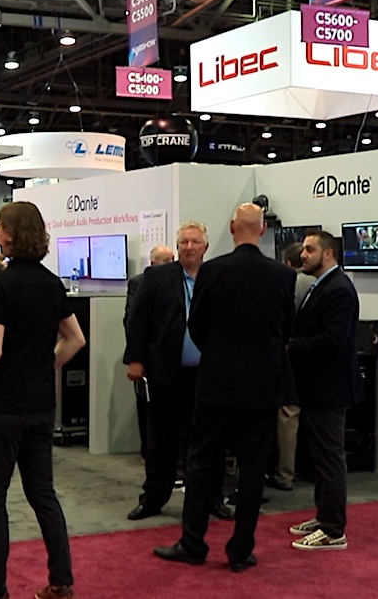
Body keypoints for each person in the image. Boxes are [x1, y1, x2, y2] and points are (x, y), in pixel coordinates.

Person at [154, 203, 295, 573]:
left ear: (232, 228)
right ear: (262, 229)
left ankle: (193, 543)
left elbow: (196, 326)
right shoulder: (282, 275)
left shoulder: (213, 271)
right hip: (262, 387)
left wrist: (218, 355)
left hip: (216, 383)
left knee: (202, 464)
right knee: (253, 470)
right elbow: (286, 329)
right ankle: (240, 550)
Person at [0, 202, 86, 599]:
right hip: (41, 405)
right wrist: (45, 365)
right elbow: (76, 339)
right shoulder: (51, 283)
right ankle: (61, 582)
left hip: (3, 406)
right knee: (43, 494)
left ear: (11, 234)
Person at [123, 225, 232, 522]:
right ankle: (153, 498)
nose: (189, 246)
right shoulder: (157, 277)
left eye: (195, 241)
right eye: (184, 241)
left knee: (210, 442)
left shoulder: (217, 277)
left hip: (207, 375)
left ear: (205, 247)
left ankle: (212, 498)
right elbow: (138, 320)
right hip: (166, 373)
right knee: (161, 442)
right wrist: (135, 359)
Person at [287, 231, 361, 551]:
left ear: (328, 253)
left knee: (330, 458)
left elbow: (333, 339)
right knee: (320, 457)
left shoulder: (339, 289)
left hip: (330, 389)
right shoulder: (322, 285)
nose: (303, 255)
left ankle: (333, 530)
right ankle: (324, 515)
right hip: (317, 387)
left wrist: (290, 346)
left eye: (309, 249)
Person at [266, 242, 316, 492]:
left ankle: (284, 474)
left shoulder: (290, 284)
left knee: (287, 416)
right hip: (314, 362)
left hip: (289, 358)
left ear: (286, 263)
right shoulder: (319, 284)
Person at [123, 244, 175, 460]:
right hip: (149, 357)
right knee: (147, 410)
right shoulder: (139, 283)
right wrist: (137, 358)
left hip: (173, 358)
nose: (171, 264)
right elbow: (133, 320)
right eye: (166, 260)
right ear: (153, 264)